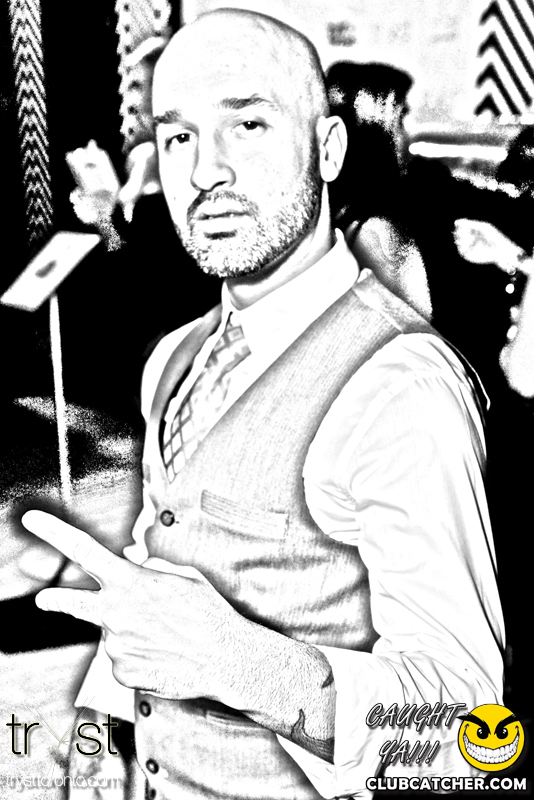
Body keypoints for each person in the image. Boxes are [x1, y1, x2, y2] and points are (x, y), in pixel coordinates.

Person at [23, 9, 505, 800]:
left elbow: (468, 732)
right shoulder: (177, 358)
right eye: (179, 137)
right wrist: (101, 734)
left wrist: (247, 666)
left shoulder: (400, 388)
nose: (205, 171)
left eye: (247, 124)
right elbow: (159, 565)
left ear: (328, 149)